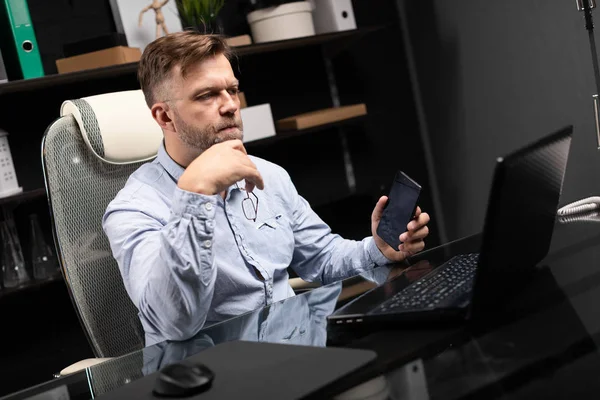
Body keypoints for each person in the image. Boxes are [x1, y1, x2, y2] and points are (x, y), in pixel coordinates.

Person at [103, 31, 431, 347]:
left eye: (232, 90)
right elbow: (175, 323)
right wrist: (196, 192)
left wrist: (377, 249)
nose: (230, 105)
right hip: (212, 376)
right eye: (207, 95)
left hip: (294, 356)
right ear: (165, 116)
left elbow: (320, 257)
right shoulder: (133, 208)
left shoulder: (268, 175)